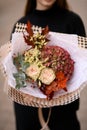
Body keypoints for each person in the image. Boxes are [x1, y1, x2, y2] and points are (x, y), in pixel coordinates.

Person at [11, 0, 86, 130]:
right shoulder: (21, 24)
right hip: (29, 111)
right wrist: (25, 93)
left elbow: (83, 63)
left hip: (63, 111)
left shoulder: (72, 21)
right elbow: (14, 70)